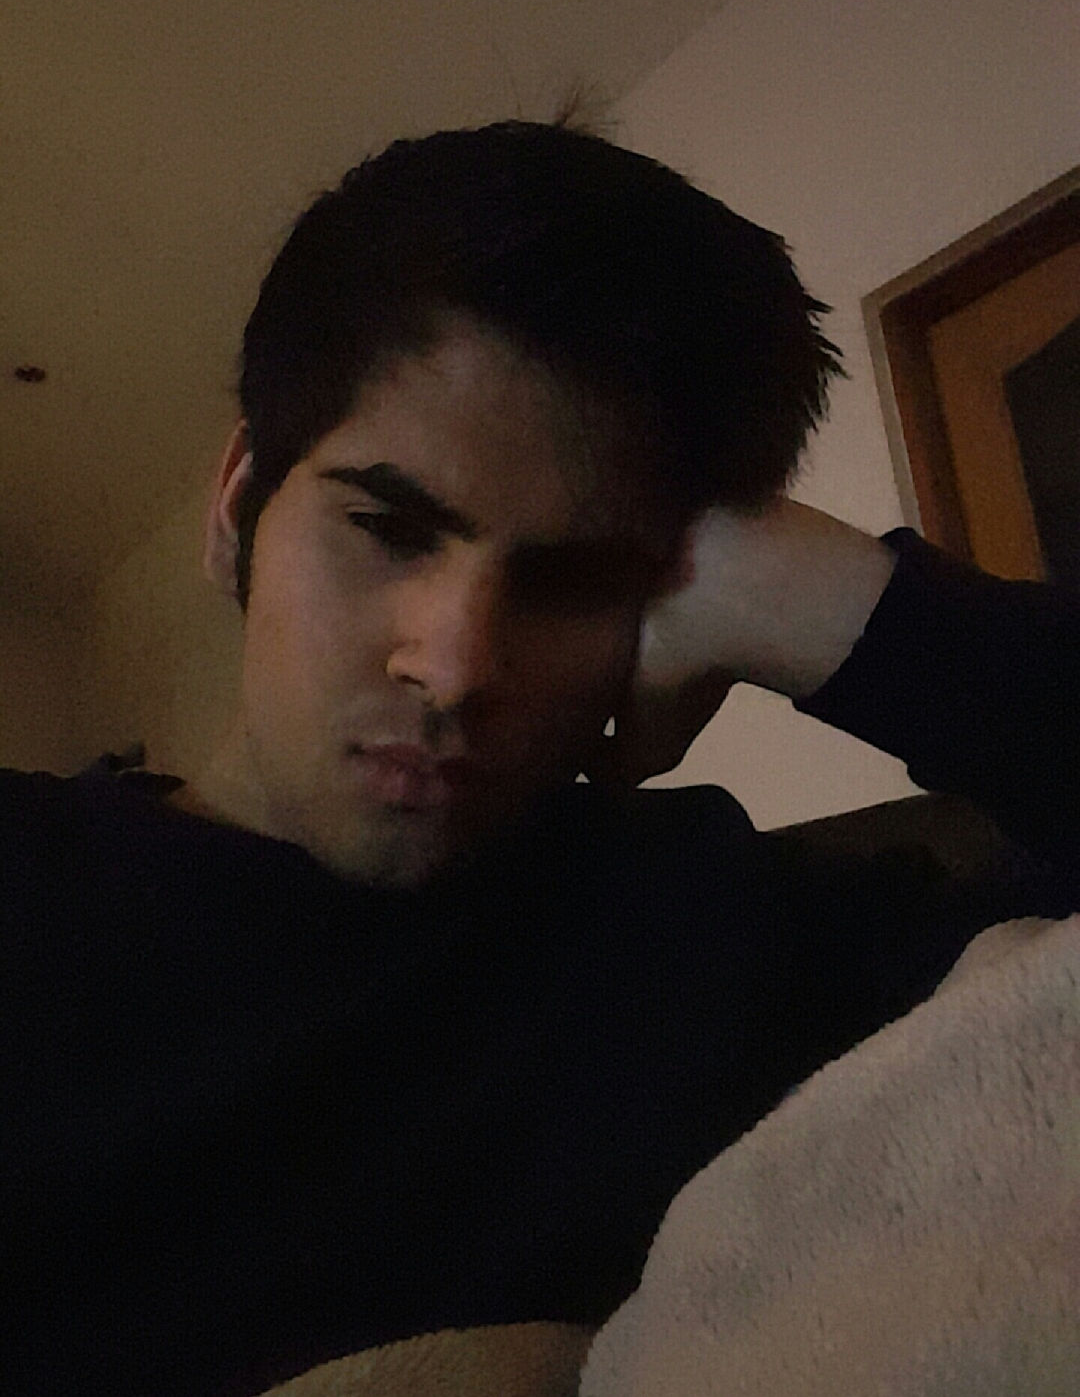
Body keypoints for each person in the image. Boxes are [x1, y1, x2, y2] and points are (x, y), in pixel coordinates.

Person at [2, 119, 1077, 1397]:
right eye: (388, 526)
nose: (455, 664)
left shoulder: (707, 930)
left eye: (573, 579)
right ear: (238, 505)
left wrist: (838, 604)